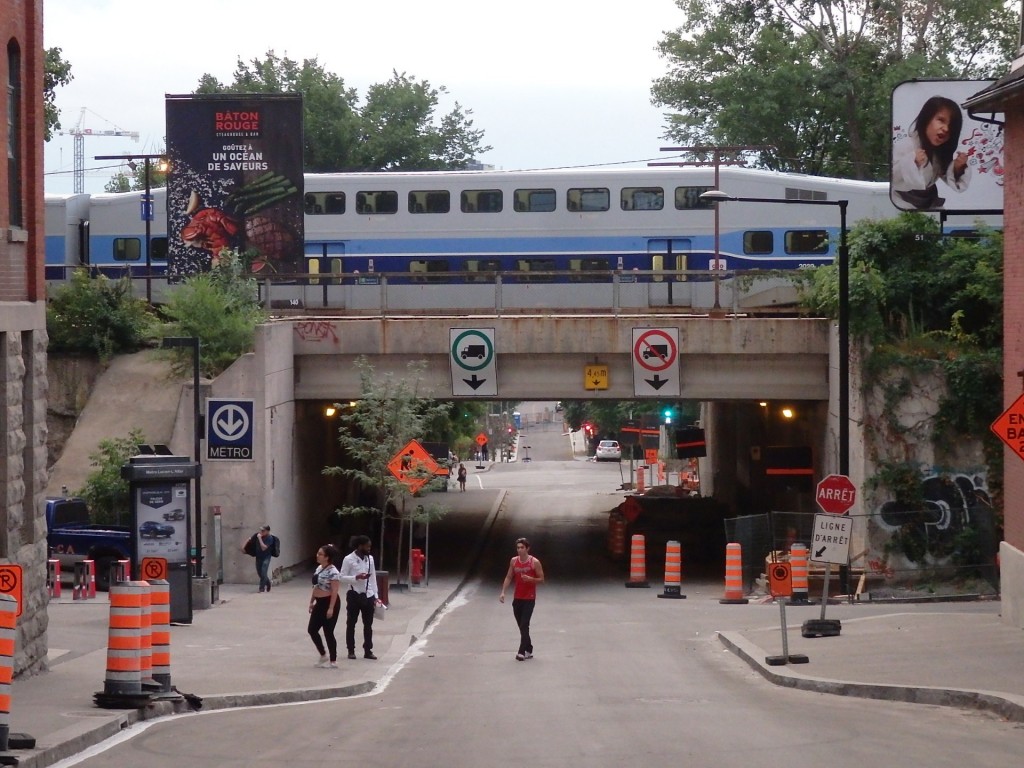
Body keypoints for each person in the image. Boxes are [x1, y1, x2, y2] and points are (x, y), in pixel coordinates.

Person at [891, 95, 971, 210]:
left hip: (930, 203)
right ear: (926, 119)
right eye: (941, 120)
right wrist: (912, 162)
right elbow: (893, 177)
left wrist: (958, 168)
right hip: (902, 203)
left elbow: (947, 175)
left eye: (951, 126)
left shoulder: (938, 152)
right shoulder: (906, 145)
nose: (946, 129)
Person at [499, 537, 545, 661]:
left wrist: (531, 579)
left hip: (529, 598)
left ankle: (521, 652)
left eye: (522, 548)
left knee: (525, 624)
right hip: (517, 597)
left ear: (527, 548)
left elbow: (542, 579)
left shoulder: (534, 562)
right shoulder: (514, 561)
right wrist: (503, 592)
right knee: (521, 626)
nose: (519, 550)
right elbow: (509, 577)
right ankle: (529, 648)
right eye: (518, 548)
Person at [339, 534, 380, 660]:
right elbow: (341, 577)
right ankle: (351, 650)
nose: (369, 549)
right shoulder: (348, 559)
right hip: (354, 594)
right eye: (367, 546)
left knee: (368, 624)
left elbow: (372, 578)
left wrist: (376, 596)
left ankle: (368, 650)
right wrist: (355, 578)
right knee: (351, 623)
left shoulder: (370, 559)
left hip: (368, 595)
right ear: (359, 546)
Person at [308, 544, 341, 668]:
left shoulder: (333, 572)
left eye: (320, 554)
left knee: (328, 631)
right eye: (318, 553)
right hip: (319, 602)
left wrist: (331, 608)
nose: (318, 556)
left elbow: (334, 591)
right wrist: (312, 601)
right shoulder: (319, 568)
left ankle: (333, 660)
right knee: (312, 629)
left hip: (329, 601)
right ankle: (323, 654)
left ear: (327, 557)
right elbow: (315, 587)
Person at [245, 525, 279, 593]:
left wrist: (260, 539)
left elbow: (264, 548)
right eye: (261, 530)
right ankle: (268, 583)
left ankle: (261, 588)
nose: (261, 532)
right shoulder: (257, 536)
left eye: (263, 531)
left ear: (267, 531)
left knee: (263, 572)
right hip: (258, 557)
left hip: (266, 557)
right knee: (260, 573)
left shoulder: (270, 538)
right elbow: (250, 541)